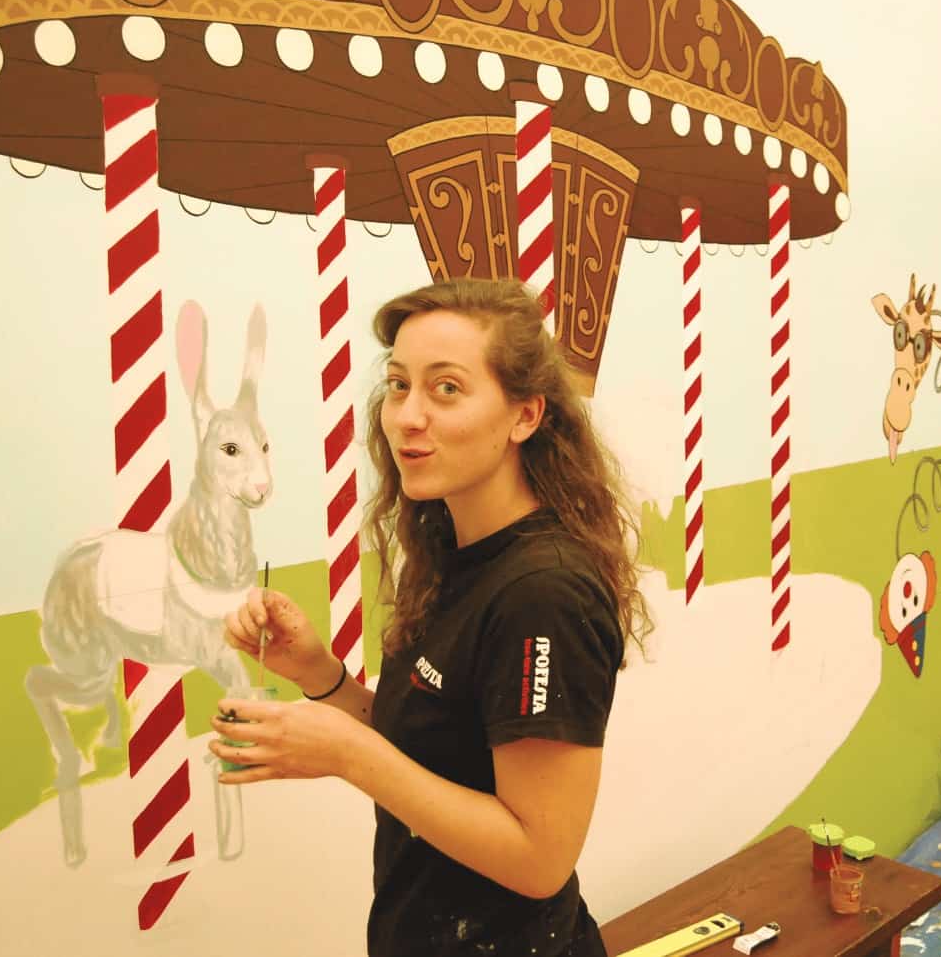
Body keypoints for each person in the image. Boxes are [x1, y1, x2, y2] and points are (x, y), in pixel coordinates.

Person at [212, 277, 649, 957]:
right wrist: (319, 674)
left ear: (525, 416)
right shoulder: (453, 551)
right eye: (398, 385)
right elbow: (431, 752)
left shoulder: (544, 593)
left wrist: (347, 755)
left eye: (447, 388)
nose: (407, 417)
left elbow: (539, 859)